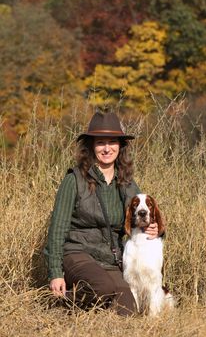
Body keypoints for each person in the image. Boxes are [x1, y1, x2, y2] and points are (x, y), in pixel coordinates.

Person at [45, 111, 158, 316]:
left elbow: (146, 215)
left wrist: (155, 229)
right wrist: (55, 273)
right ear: (91, 146)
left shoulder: (127, 183)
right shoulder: (74, 180)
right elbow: (57, 229)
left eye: (112, 142)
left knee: (128, 311)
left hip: (109, 259)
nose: (107, 148)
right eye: (100, 142)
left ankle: (94, 307)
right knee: (102, 287)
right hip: (77, 253)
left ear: (120, 146)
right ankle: (59, 301)